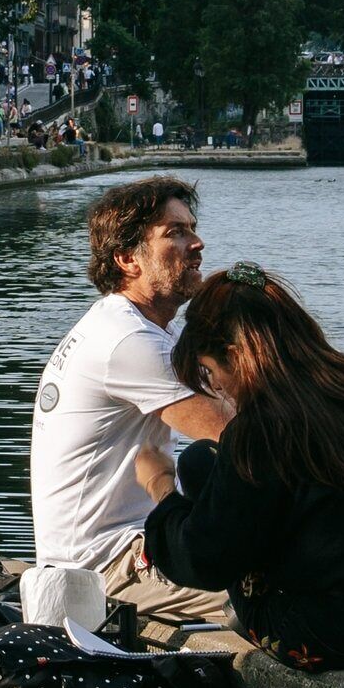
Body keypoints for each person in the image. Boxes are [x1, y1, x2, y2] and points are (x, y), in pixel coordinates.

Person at [143, 263, 344, 672]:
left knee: (200, 460)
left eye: (211, 372)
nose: (218, 389)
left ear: (238, 357)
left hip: (313, 638)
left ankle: (271, 600)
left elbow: (204, 564)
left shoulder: (258, 431)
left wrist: (161, 489)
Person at [30, 176, 235, 647]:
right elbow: (238, 435)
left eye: (193, 228)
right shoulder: (130, 342)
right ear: (127, 259)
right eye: (175, 233)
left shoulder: (127, 327)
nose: (197, 243)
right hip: (106, 567)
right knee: (274, 590)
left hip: (109, 550)